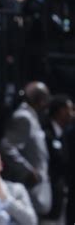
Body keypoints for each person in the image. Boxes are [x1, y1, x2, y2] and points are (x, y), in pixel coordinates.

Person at [0, 81, 52, 216]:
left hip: (36, 188)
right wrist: (28, 171)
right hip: (27, 188)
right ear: (40, 100)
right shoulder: (24, 117)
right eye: (45, 99)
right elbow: (7, 146)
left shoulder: (32, 116)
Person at [42, 94, 73, 223]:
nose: (72, 114)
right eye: (70, 109)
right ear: (61, 111)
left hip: (59, 194)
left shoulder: (64, 134)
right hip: (46, 193)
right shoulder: (46, 133)